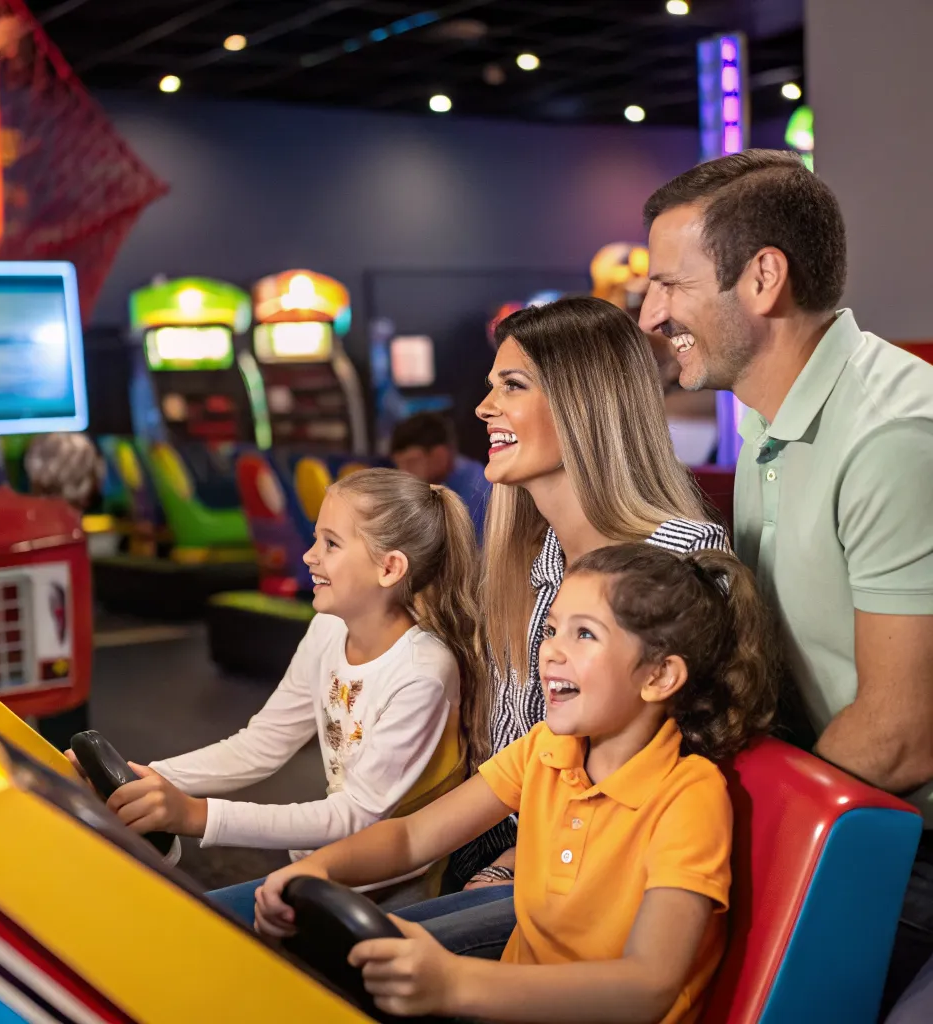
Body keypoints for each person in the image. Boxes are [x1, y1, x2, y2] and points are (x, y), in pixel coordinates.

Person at [638, 148, 933, 1019]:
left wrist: (735, 823)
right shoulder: (777, 422)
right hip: (851, 805)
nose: (653, 313)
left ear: (764, 278)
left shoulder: (891, 437)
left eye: (671, 285)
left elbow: (900, 735)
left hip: (906, 838)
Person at [255, 544, 778, 1023]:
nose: (550, 651)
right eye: (551, 629)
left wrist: (455, 982)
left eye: (585, 634)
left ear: (659, 677)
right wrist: (321, 867)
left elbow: (648, 985)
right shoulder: (546, 749)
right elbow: (413, 837)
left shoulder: (688, 795)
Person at [394, 295, 730, 959]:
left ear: (585, 406)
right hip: (494, 832)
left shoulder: (684, 554)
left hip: (591, 869)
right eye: (490, 387)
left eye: (512, 386)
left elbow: (675, 778)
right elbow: (510, 762)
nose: (483, 408)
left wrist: (511, 861)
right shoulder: (533, 551)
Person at [70, 468, 486, 918]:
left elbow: (355, 814)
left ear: (389, 568)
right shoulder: (329, 629)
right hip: (319, 867)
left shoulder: (421, 673)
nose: (308, 556)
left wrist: (197, 816)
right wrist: (145, 777)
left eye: (330, 543)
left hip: (391, 888)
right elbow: (262, 744)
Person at [390, 412, 490, 543]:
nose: (404, 472)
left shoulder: (479, 491)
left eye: (412, 462)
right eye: (399, 465)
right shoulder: (438, 486)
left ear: (440, 455)